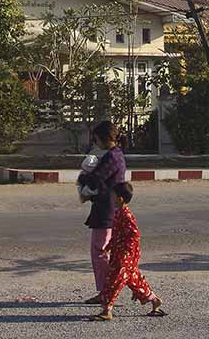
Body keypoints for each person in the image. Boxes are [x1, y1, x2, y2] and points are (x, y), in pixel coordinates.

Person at [89, 182, 165, 322]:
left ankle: (107, 310)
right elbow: (117, 233)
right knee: (135, 281)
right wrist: (110, 245)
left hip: (125, 256)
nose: (111, 199)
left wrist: (127, 255)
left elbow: (134, 236)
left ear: (121, 199)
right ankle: (154, 300)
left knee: (113, 281)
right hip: (119, 254)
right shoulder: (118, 213)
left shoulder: (127, 216)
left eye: (114, 196)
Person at [80, 120, 126, 304]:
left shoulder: (111, 158)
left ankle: (108, 291)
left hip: (106, 210)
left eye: (96, 140)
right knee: (101, 251)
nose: (95, 143)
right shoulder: (114, 154)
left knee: (100, 252)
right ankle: (106, 291)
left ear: (104, 139)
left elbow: (96, 179)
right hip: (107, 207)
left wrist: (84, 176)